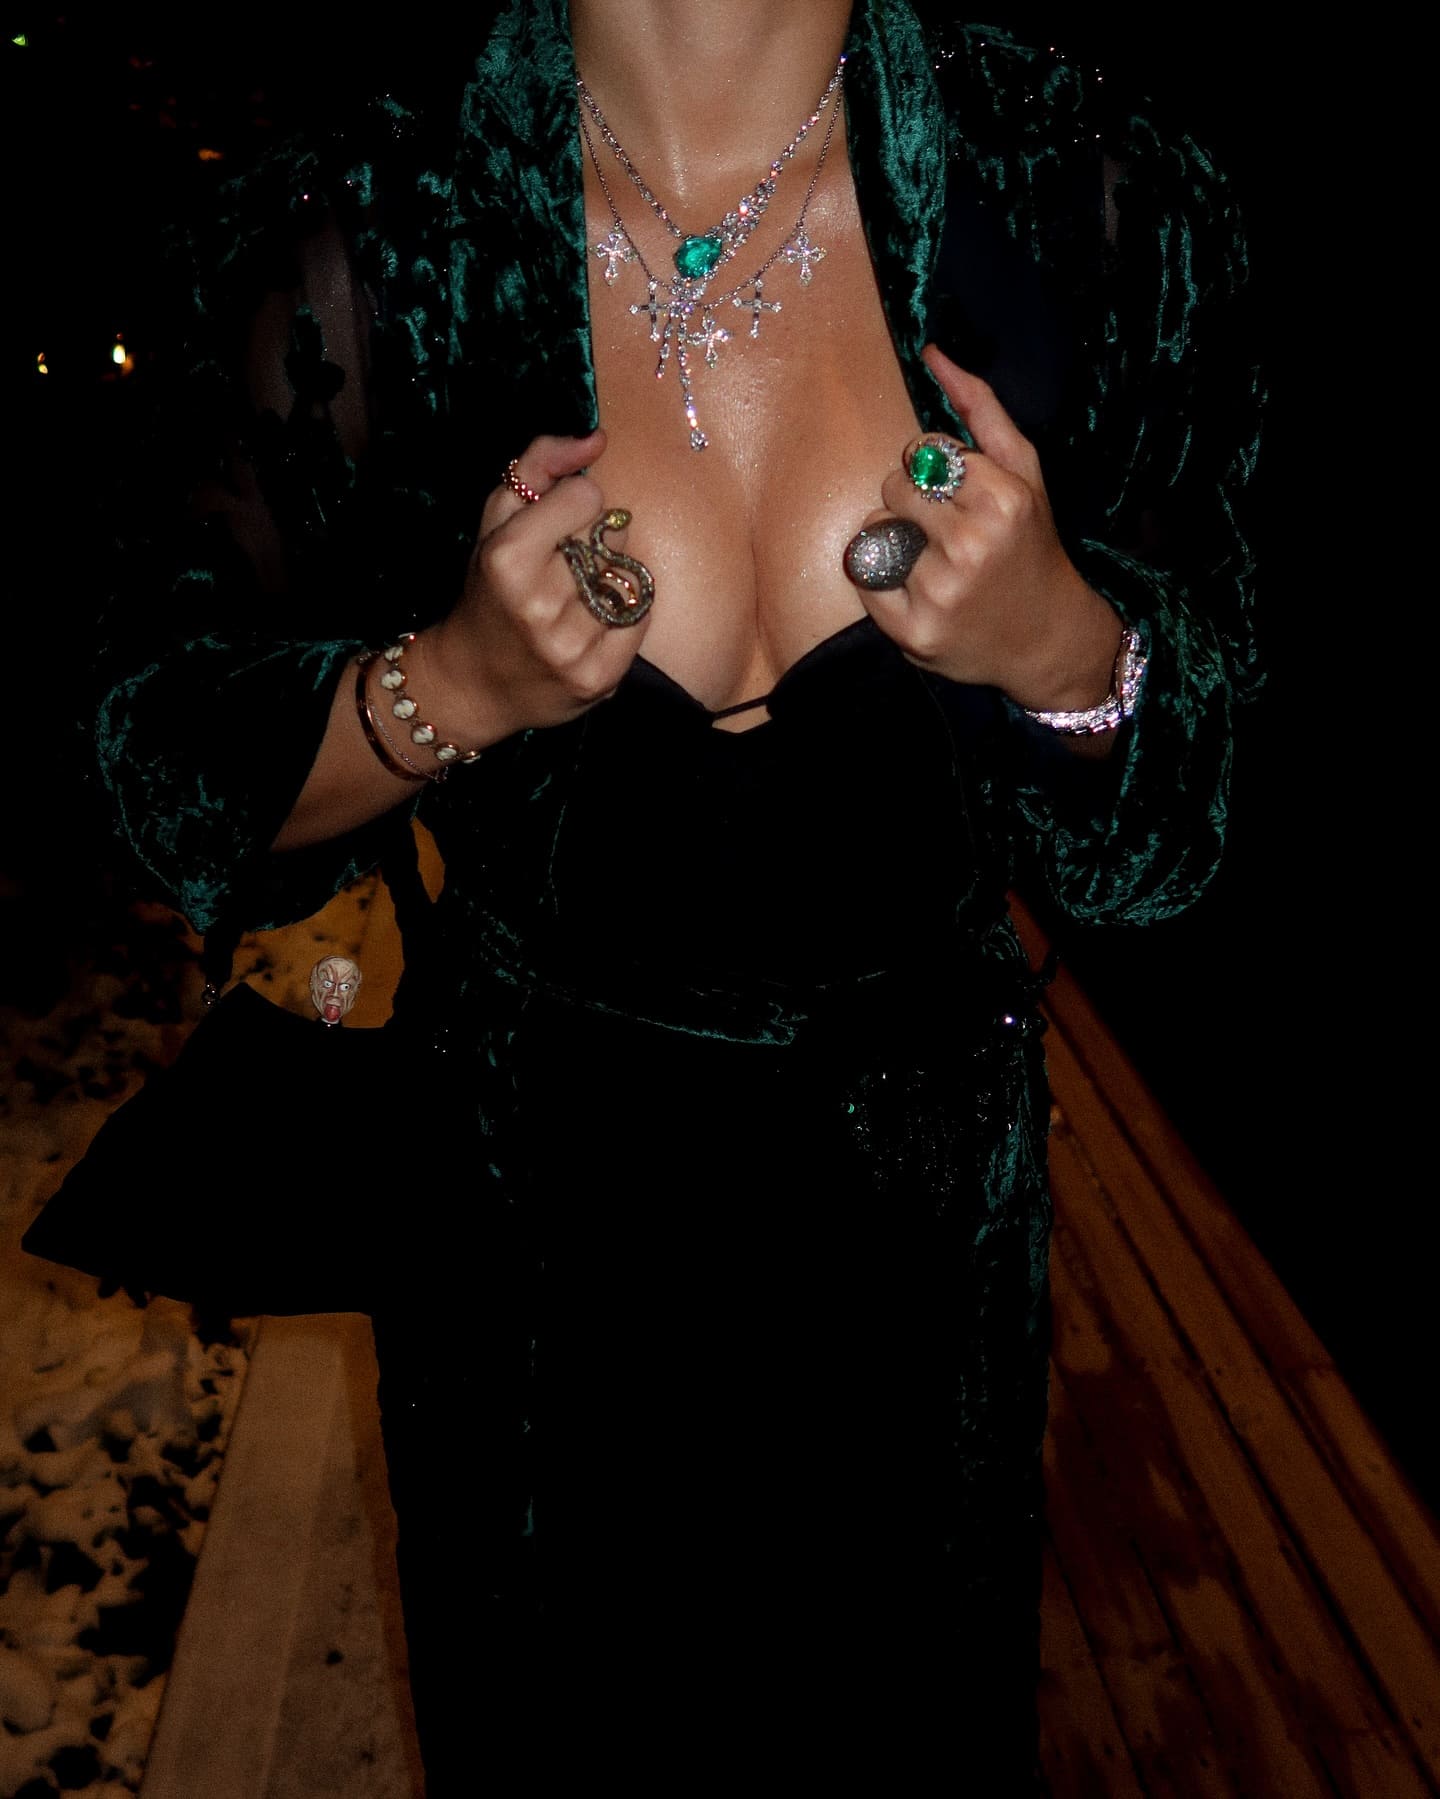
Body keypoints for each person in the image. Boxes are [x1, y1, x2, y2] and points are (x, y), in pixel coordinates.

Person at [75, 0, 1260, 1785]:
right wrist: (449, 687)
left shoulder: (1100, 204)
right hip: (534, 1290)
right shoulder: (359, 233)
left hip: (927, 1291)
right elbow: (151, 748)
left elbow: (1200, 802)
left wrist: (1071, 652)